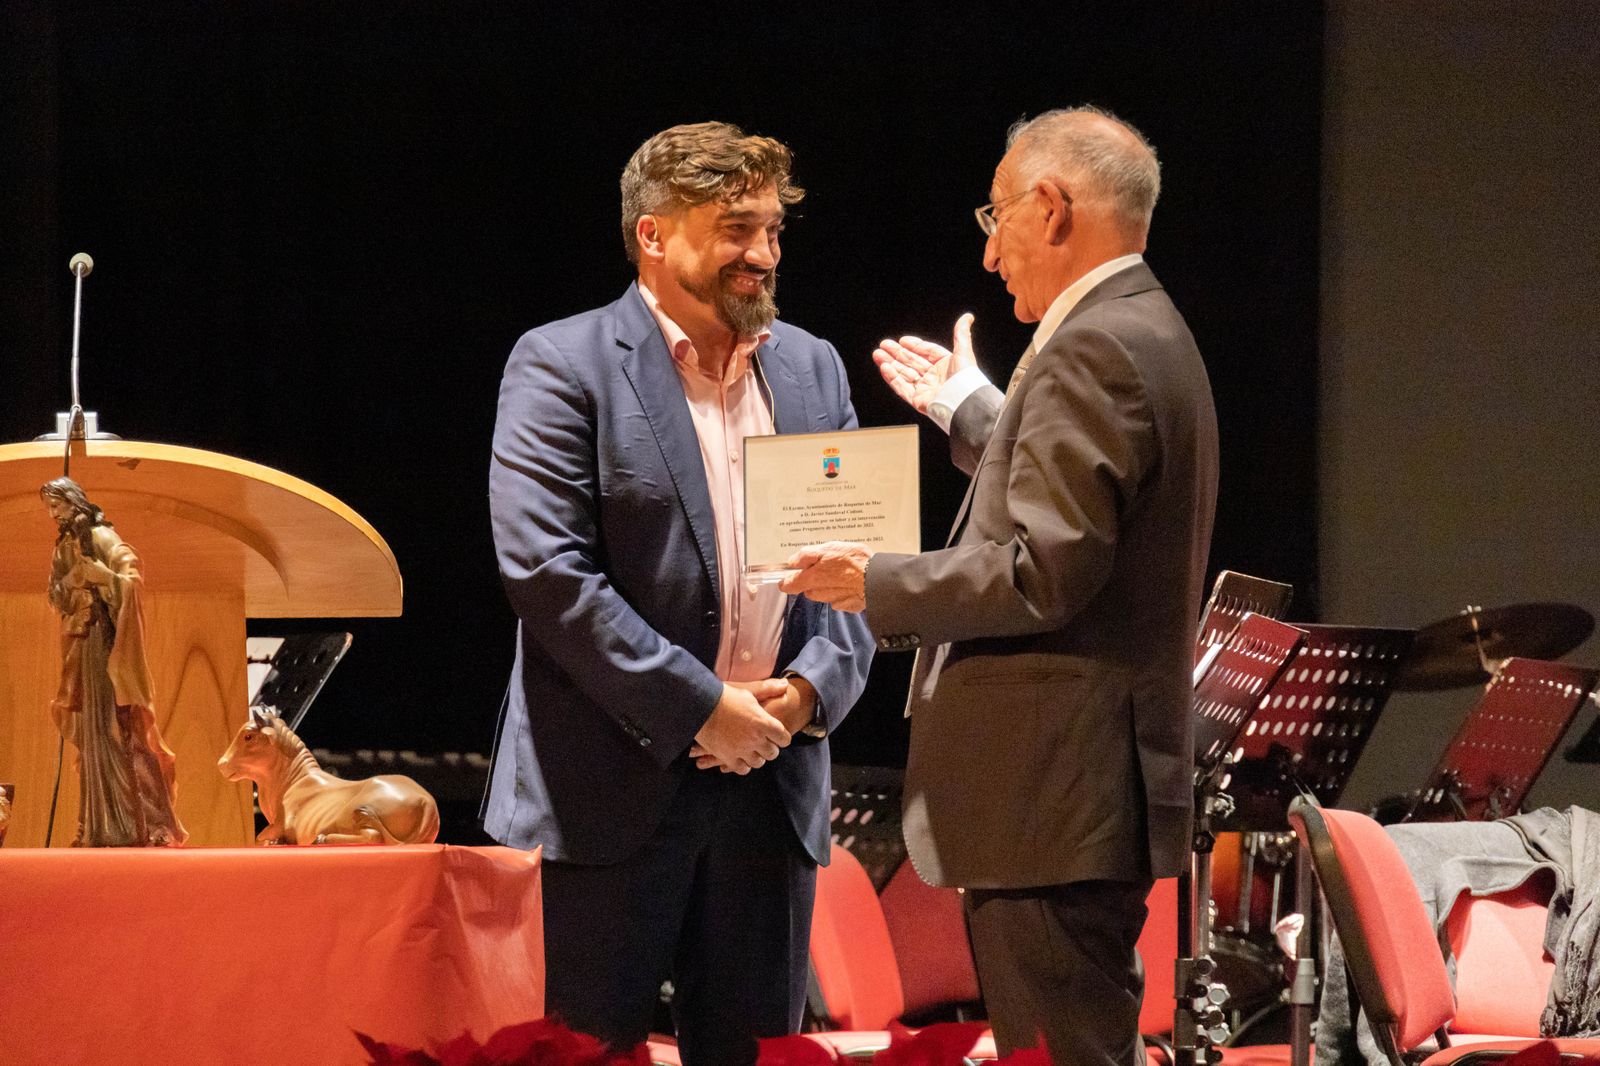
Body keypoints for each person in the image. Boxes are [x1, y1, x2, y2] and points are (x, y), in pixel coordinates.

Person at [782, 106, 1219, 1066]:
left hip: (1050, 801)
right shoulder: (1142, 328)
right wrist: (973, 408)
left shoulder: (1092, 348)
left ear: (1052, 208)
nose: (990, 256)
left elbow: (1043, 568)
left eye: (995, 219)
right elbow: (1087, 505)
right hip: (1076, 799)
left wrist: (876, 582)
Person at [481, 121, 873, 1065]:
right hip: (604, 801)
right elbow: (547, 572)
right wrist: (701, 708)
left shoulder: (812, 366)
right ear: (653, 236)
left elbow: (860, 564)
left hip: (769, 797)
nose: (763, 254)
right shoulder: (562, 362)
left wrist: (814, 688)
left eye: (773, 230)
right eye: (737, 227)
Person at [41, 476, 186, 848]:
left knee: (119, 731)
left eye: (58, 506)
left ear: (75, 503)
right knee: (93, 739)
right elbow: (55, 594)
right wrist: (70, 582)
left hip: (108, 646)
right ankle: (98, 826)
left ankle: (149, 824)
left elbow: (131, 576)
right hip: (82, 647)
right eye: (50, 508)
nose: (54, 514)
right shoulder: (64, 548)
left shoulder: (101, 538)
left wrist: (103, 577)